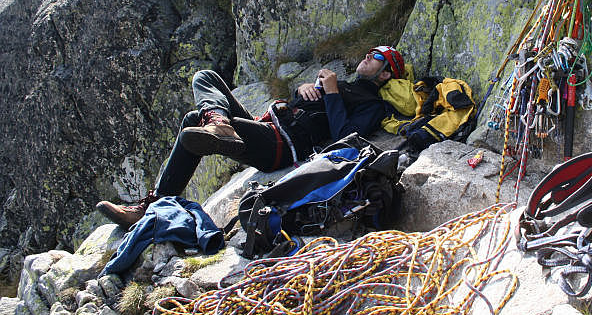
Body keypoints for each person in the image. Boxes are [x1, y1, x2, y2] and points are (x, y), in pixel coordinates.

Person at [96, 46, 405, 229]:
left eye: (377, 55)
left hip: (282, 146)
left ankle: (152, 207)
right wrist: (302, 91)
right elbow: (310, 108)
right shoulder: (344, 85)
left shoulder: (373, 104)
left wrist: (333, 92)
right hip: (270, 125)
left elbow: (344, 136)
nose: (368, 54)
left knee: (193, 120)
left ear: (385, 74)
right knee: (205, 77)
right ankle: (219, 123)